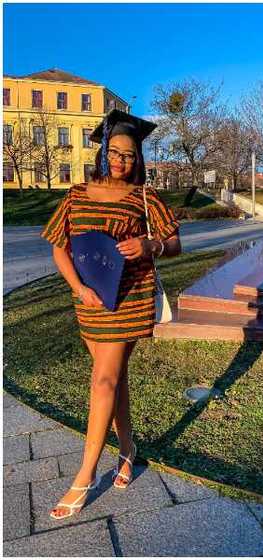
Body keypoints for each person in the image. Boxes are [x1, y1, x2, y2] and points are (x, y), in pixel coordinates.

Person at [41, 110, 181, 519]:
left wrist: (148, 246)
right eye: (116, 153)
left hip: (128, 299)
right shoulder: (76, 195)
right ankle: (127, 449)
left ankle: (83, 478)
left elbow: (174, 245)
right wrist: (79, 289)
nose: (122, 162)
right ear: (104, 152)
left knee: (103, 380)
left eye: (130, 156)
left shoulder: (144, 197)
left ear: (139, 159)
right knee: (114, 382)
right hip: (90, 300)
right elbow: (58, 246)